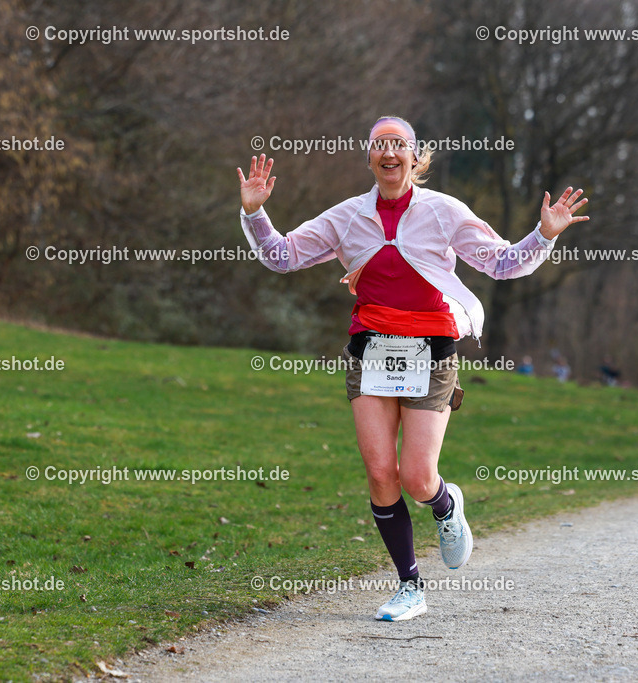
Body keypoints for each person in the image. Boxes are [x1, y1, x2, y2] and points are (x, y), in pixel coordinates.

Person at [237, 116, 588, 621]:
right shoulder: (348, 217)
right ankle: (409, 586)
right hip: (370, 352)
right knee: (382, 475)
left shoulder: (443, 212)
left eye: (398, 145)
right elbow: (281, 256)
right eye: (380, 145)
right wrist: (255, 214)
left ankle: (445, 506)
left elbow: (503, 263)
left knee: (418, 477)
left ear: (414, 156)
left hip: (432, 351)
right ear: (369, 158)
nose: (389, 153)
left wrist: (543, 235)